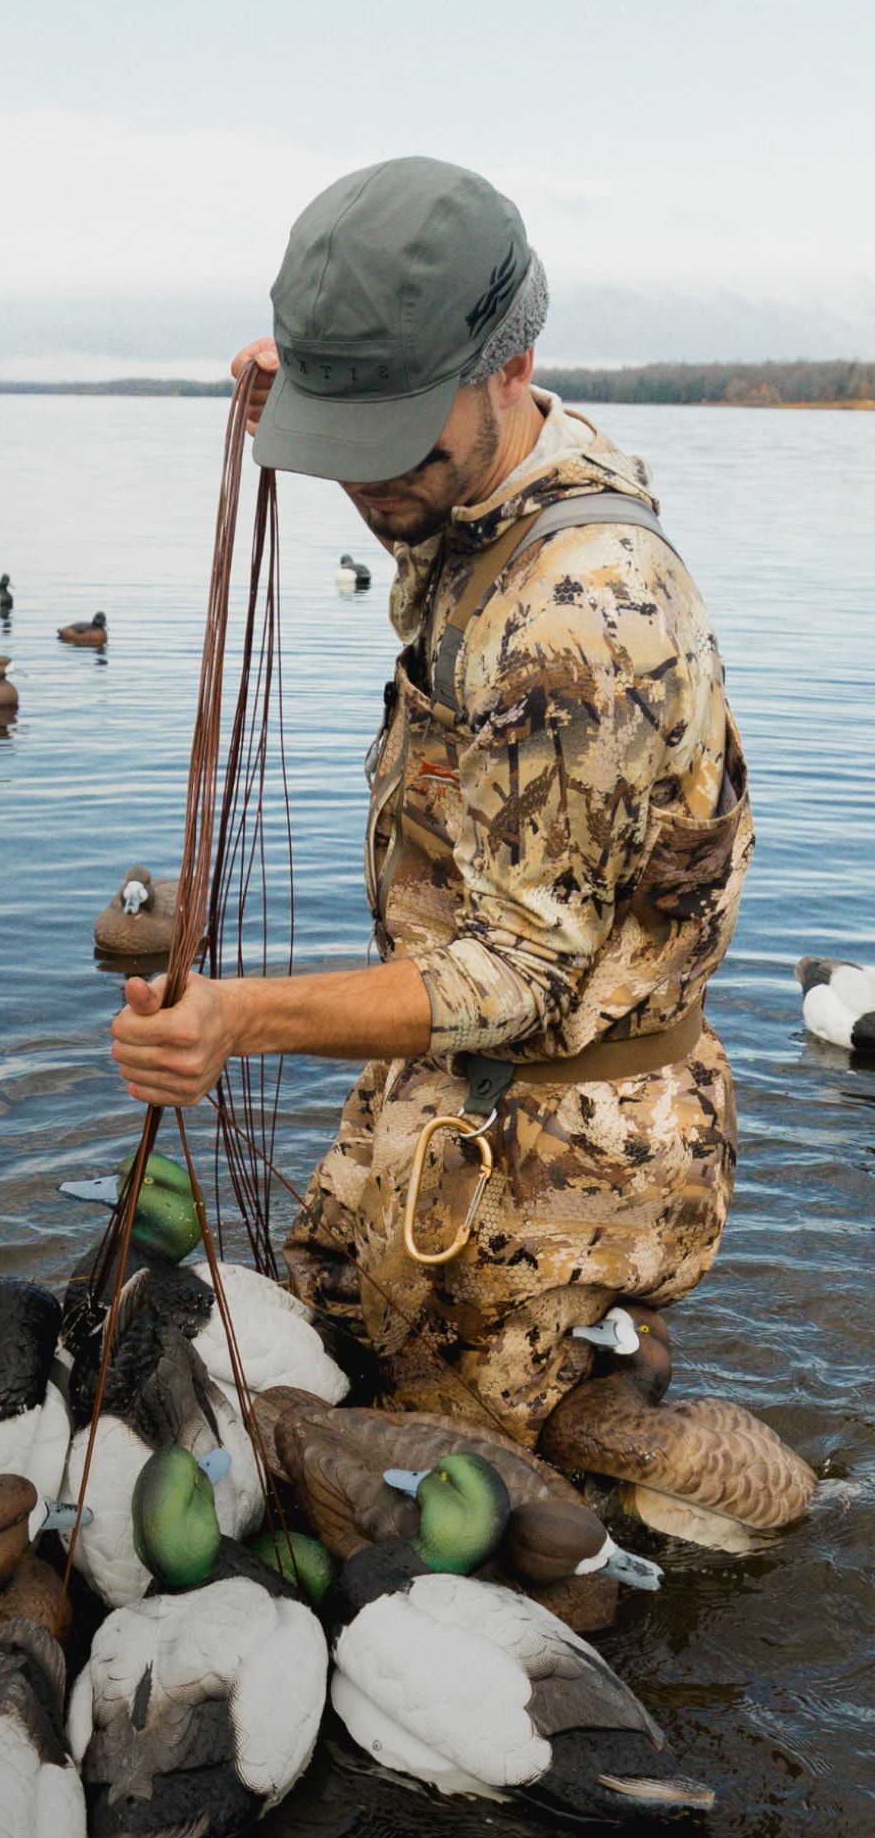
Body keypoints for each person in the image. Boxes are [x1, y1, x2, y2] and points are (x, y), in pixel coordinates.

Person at [108, 157, 751, 1446]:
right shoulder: (491, 479)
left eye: (397, 440)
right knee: (312, 1374)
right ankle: (610, 1369)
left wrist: (243, 1017)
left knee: (420, 1506)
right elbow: (415, 465)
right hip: (453, 1081)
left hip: (569, 1141)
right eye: (342, 443)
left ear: (512, 365)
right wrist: (329, 384)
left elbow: (522, 977)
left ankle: (606, 1368)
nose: (370, 485)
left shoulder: (584, 616)